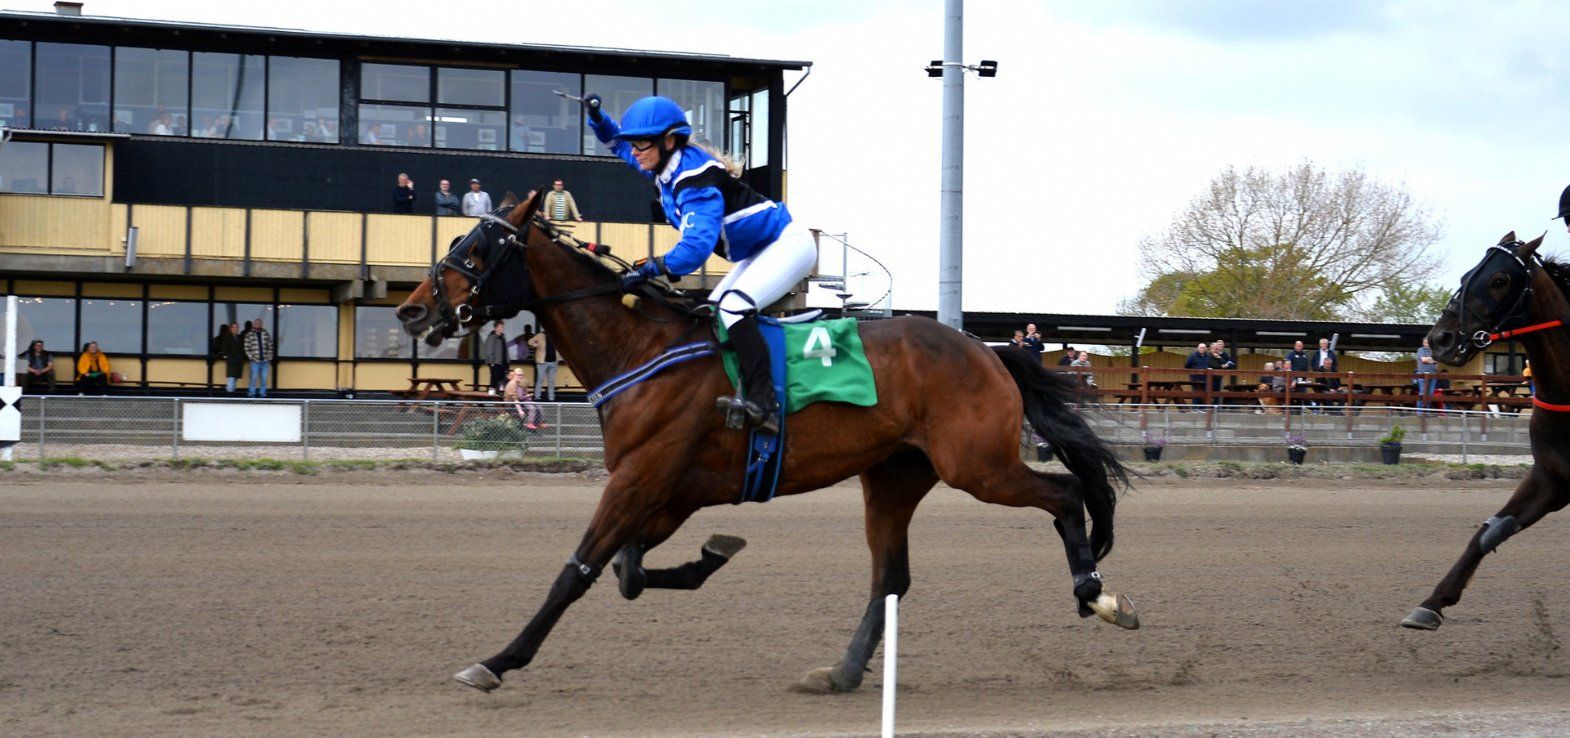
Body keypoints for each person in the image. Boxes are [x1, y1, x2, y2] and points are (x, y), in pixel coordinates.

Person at [586, 94, 813, 433]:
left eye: (641, 143)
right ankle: (734, 391)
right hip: (761, 249)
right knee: (713, 313)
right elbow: (619, 146)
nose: (634, 151)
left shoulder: (695, 183)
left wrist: (651, 266)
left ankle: (766, 404)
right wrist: (597, 117)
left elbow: (695, 249)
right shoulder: (663, 161)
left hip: (788, 246)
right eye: (634, 143)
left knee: (733, 309)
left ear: (668, 140)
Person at [243, 318, 274, 398]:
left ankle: (262, 394)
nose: (258, 325)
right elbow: (247, 347)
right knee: (254, 378)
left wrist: (269, 357)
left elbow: (270, 346)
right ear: (254, 325)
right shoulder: (249, 334)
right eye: (256, 323)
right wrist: (251, 357)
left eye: (259, 323)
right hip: (255, 361)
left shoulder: (266, 333)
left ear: (262, 324)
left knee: (264, 379)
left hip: (265, 361)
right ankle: (251, 394)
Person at [212, 323, 245, 394]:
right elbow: (224, 349)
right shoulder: (227, 337)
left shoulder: (239, 337)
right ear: (231, 328)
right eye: (234, 327)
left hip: (238, 362)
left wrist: (242, 358)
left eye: (237, 327)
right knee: (231, 379)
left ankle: (232, 394)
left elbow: (242, 349)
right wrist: (229, 357)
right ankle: (229, 395)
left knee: (235, 380)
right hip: (231, 362)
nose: (236, 329)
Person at [529, 328, 558, 402]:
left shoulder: (555, 335)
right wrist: (534, 344)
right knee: (540, 380)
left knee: (551, 381)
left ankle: (551, 398)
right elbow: (530, 341)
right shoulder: (540, 335)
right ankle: (537, 397)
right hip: (542, 362)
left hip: (553, 361)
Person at [482, 321, 510, 393]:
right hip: (495, 362)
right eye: (501, 327)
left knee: (502, 380)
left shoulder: (503, 337)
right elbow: (488, 350)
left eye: (503, 327)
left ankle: (499, 396)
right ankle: (491, 397)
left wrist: (508, 361)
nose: (502, 328)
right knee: (494, 379)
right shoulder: (492, 337)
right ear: (496, 328)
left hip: (503, 362)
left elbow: (505, 350)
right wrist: (491, 362)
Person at [1414, 337, 1439, 409]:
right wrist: (1432, 360)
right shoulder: (1420, 350)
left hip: (1433, 375)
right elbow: (1423, 360)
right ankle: (1420, 411)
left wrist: (1431, 360)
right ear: (1423, 343)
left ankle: (1426, 411)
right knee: (1422, 393)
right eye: (1425, 343)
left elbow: (1438, 360)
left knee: (1430, 394)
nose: (1426, 344)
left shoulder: (1434, 350)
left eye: (1428, 343)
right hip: (1422, 374)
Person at [1184, 342, 1210, 409]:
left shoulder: (1208, 356)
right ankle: (1195, 408)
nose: (1202, 349)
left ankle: (1202, 409)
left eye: (1204, 348)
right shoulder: (1193, 356)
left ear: (1206, 349)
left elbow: (1210, 365)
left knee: (1204, 393)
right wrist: (1193, 372)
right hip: (1195, 379)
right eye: (1201, 347)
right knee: (1196, 393)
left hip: (1205, 379)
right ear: (1198, 348)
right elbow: (1187, 365)